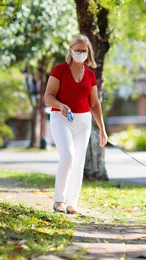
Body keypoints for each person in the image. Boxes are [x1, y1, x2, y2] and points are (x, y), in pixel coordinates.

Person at [44, 34, 107, 214]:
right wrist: (60, 105)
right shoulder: (60, 69)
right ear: (70, 51)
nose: (80, 53)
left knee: (79, 162)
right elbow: (48, 96)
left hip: (83, 120)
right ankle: (58, 201)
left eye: (83, 50)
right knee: (68, 155)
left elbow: (94, 104)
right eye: (77, 50)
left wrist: (102, 129)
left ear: (88, 53)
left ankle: (72, 203)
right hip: (61, 117)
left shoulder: (90, 75)